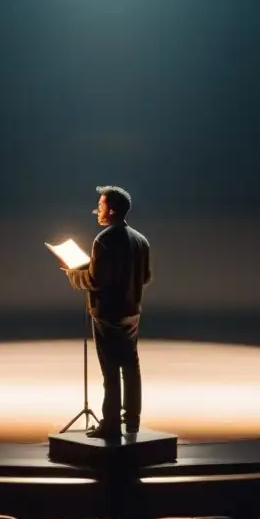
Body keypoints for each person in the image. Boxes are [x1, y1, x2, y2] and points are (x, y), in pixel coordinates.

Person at [64, 185, 151, 439]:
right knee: (131, 367)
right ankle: (132, 421)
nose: (97, 210)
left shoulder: (103, 240)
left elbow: (94, 281)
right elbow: (145, 277)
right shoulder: (141, 240)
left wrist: (73, 274)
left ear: (111, 210)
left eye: (100, 205)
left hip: (107, 314)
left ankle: (111, 424)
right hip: (131, 313)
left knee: (110, 370)